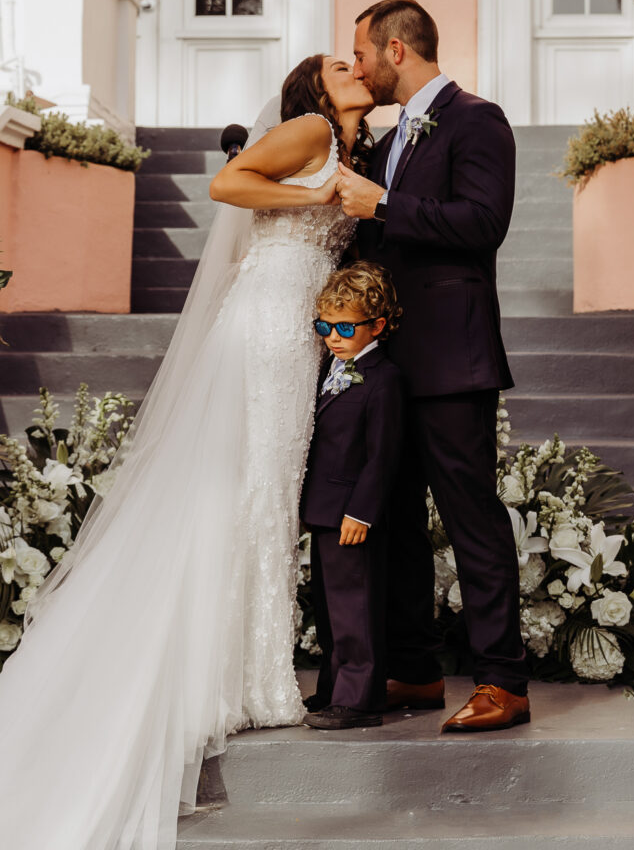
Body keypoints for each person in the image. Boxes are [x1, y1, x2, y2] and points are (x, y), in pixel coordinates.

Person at [0, 54, 373, 849]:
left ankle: (253, 670)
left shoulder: (349, 145)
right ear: (314, 87)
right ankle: (244, 678)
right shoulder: (309, 130)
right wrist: (312, 194)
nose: (356, 66)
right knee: (255, 490)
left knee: (265, 489)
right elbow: (229, 184)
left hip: (295, 324)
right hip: (271, 318)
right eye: (341, 62)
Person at [335, 0, 530, 732]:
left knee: (469, 517)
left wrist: (383, 204)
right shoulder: (388, 140)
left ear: (394, 50)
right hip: (390, 364)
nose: (354, 67)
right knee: (393, 522)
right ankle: (414, 670)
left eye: (359, 53)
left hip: (452, 360)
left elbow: (484, 222)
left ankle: (502, 683)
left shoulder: (478, 118)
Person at [299, 262, 406, 730]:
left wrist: (361, 512)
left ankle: (360, 698)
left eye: (345, 327)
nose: (333, 337)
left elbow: (382, 456)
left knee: (353, 605)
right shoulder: (331, 368)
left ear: (377, 325)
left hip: (350, 512)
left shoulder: (384, 379)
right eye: (326, 327)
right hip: (323, 508)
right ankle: (333, 688)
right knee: (328, 605)